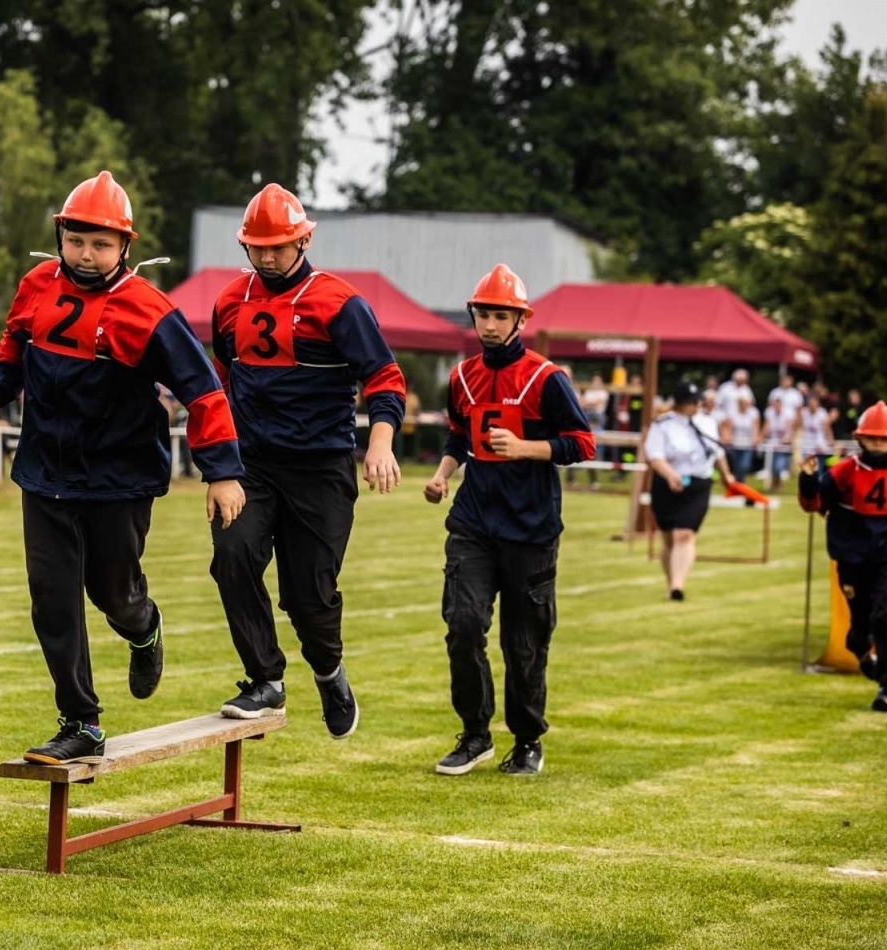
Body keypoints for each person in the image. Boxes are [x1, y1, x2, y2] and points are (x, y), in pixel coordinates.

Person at [0, 170, 246, 765]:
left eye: (100, 243)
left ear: (125, 246)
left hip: (119, 477)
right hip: (45, 471)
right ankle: (80, 721)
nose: (85, 254)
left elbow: (203, 390)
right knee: (52, 598)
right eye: (76, 241)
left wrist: (222, 471)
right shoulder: (36, 285)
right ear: (60, 237)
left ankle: (144, 626)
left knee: (112, 592)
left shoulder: (149, 310)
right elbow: (15, 343)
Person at [206, 182, 405, 738]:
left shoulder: (339, 303)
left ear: (304, 240)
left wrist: (381, 442)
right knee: (232, 556)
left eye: (278, 247)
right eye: (257, 247)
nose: (267, 257)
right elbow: (216, 381)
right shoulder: (229, 302)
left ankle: (328, 670)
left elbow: (384, 378)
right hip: (250, 465)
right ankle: (264, 679)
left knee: (307, 595)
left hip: (320, 467)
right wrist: (217, 459)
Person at [423, 264, 595, 776]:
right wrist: (442, 475)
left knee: (524, 644)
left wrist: (525, 448)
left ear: (521, 320)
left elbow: (582, 443)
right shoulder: (461, 376)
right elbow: (459, 435)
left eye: (502, 316)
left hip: (531, 529)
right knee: (463, 625)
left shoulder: (547, 378)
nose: (491, 325)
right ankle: (475, 734)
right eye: (484, 315)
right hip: (473, 524)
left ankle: (527, 741)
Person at [800, 402, 887, 713]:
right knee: (860, 624)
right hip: (850, 554)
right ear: (860, 439)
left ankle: (886, 686)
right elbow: (814, 504)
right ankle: (860, 651)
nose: (877, 444)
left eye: (884, 439)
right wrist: (808, 480)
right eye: (872, 438)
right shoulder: (843, 471)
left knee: (885, 616)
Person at [644, 380, 739, 601]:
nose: (697, 405)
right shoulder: (663, 424)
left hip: (698, 484)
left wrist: (726, 476)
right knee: (669, 537)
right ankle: (671, 582)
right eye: (692, 402)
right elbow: (654, 455)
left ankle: (678, 585)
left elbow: (716, 452)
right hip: (667, 484)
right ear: (680, 403)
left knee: (685, 534)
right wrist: (670, 475)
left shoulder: (707, 422)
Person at [722, 392, 761, 482]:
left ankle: (739, 481)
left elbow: (755, 427)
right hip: (735, 444)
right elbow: (728, 427)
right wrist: (728, 437)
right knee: (737, 466)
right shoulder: (732, 413)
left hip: (747, 444)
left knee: (745, 465)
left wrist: (755, 438)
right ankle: (739, 482)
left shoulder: (753, 413)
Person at [760, 394, 795, 490]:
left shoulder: (787, 414)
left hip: (783, 444)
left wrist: (787, 438)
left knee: (778, 466)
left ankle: (778, 484)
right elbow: (766, 426)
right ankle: (774, 485)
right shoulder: (770, 413)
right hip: (772, 443)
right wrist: (762, 437)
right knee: (772, 466)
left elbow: (789, 429)